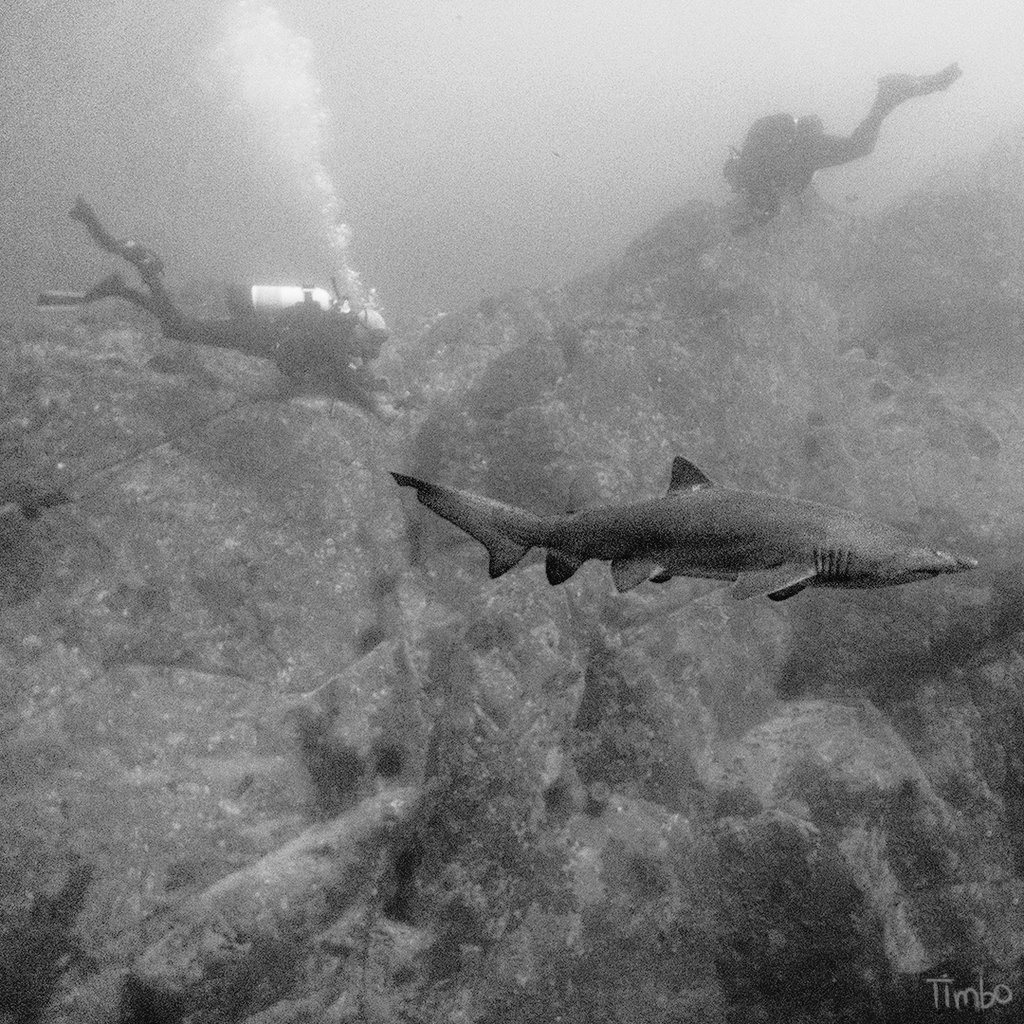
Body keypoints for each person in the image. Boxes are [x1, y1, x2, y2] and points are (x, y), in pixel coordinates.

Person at [71, 198, 393, 417]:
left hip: (259, 334)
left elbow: (344, 370)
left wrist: (371, 385)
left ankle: (122, 288)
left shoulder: (338, 330)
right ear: (361, 329)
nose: (370, 351)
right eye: (372, 342)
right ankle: (144, 266)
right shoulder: (337, 331)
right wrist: (377, 407)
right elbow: (341, 373)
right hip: (256, 333)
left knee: (178, 327)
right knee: (180, 328)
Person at [724, 62, 962, 229]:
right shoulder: (755, 167)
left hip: (808, 151)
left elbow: (769, 204)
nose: (736, 189)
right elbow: (772, 201)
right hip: (808, 151)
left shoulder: (752, 171)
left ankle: (890, 94)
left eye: (734, 184)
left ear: (736, 173)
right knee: (860, 146)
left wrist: (751, 222)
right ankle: (903, 92)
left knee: (860, 146)